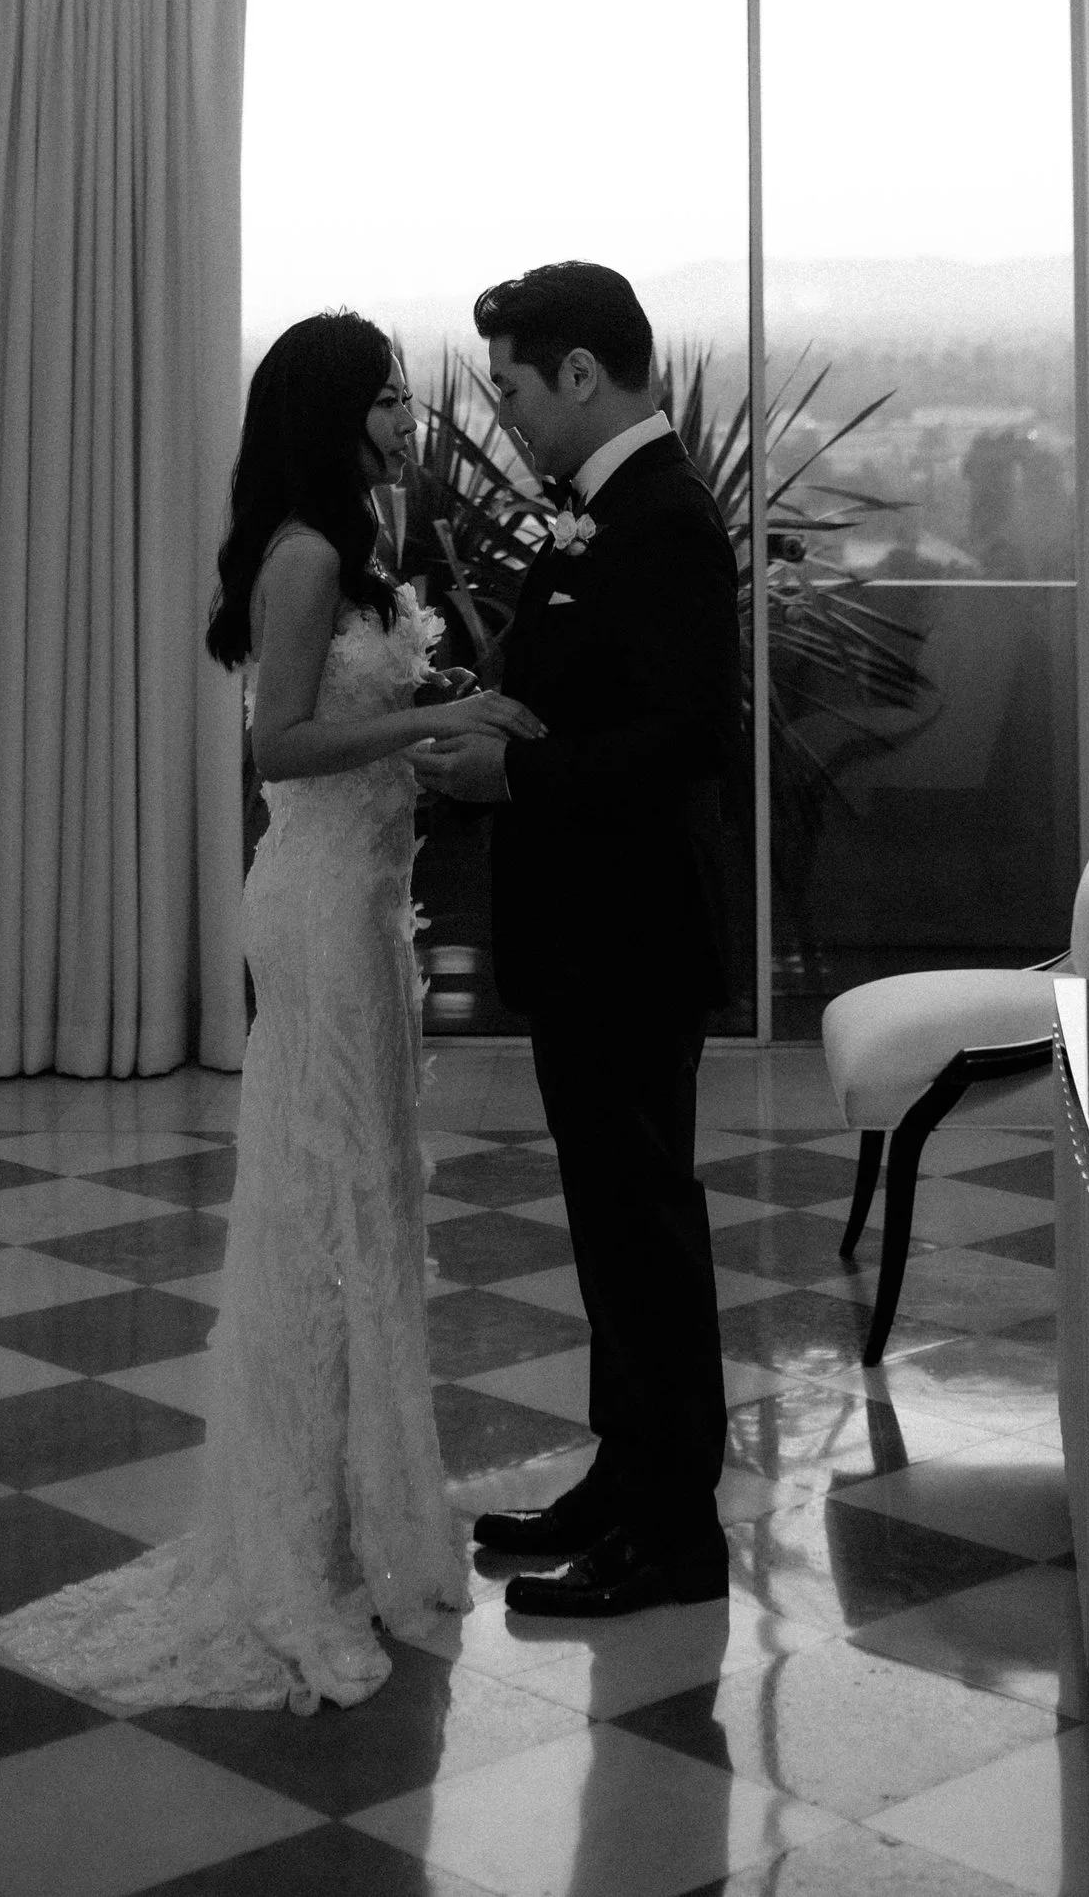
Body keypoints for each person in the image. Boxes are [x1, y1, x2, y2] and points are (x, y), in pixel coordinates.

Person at [0, 310, 543, 1714]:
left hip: (366, 906)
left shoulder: (354, 542)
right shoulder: (301, 555)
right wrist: (428, 720)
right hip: (313, 903)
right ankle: (293, 1557)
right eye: (387, 399)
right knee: (317, 1212)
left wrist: (444, 705)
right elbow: (281, 747)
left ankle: (362, 1523)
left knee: (368, 1204)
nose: (409, 419)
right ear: (329, 412)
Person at [413, 261, 742, 1616]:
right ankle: (626, 1476)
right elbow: (582, 691)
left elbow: (683, 738)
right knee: (611, 1226)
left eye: (512, 386)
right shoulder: (596, 516)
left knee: (646, 1227)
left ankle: (675, 1532)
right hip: (586, 935)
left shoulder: (661, 519)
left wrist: (513, 777)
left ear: (583, 375)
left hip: (631, 934)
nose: (506, 415)